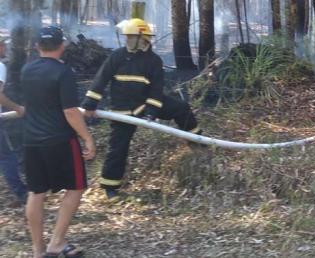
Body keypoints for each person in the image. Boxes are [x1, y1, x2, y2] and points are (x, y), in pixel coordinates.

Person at [82, 18, 201, 200]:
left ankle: (198, 141)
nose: (127, 40)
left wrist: (151, 112)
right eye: (127, 36)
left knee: (181, 108)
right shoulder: (117, 56)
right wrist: (90, 103)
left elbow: (156, 90)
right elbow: (101, 79)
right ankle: (110, 187)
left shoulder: (153, 61)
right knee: (118, 149)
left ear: (142, 38)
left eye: (131, 36)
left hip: (145, 104)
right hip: (122, 112)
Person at [21, 26, 96, 258]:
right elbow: (71, 112)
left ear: (37, 47)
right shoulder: (63, 72)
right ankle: (56, 241)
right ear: (62, 46)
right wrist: (87, 138)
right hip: (60, 140)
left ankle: (37, 248)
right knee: (76, 187)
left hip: (31, 140)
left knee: (36, 192)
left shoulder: (26, 70)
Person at [0, 38, 29, 206]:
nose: (5, 47)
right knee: (7, 156)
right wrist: (17, 108)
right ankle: (21, 192)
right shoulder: (0, 66)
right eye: (2, 45)